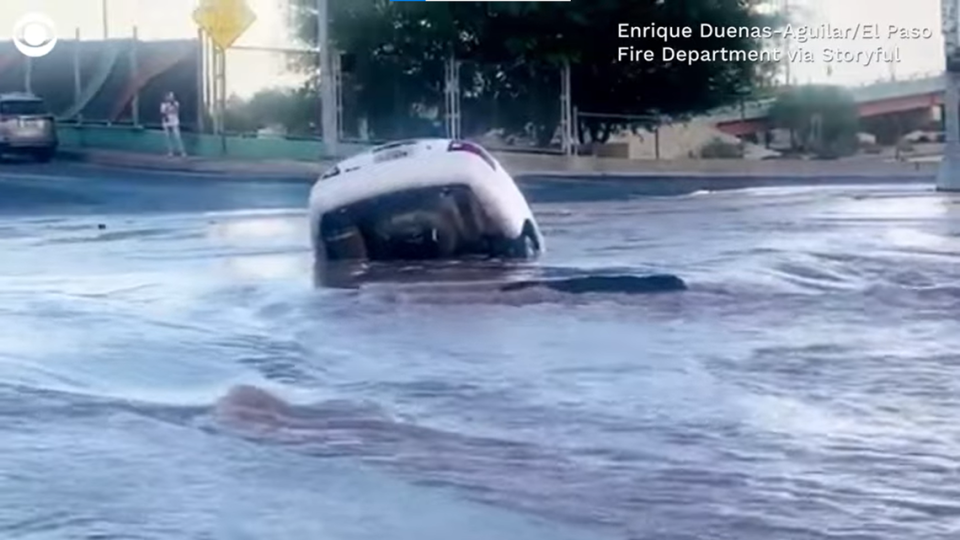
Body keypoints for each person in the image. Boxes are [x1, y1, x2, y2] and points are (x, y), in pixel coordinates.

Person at [160, 91, 186, 157]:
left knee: (177, 136)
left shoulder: (176, 104)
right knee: (168, 137)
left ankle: (182, 151)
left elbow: (175, 110)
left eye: (172, 97)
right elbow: (163, 113)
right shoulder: (163, 105)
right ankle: (170, 151)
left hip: (174, 121)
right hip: (166, 122)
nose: (171, 98)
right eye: (169, 97)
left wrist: (171, 105)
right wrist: (166, 117)